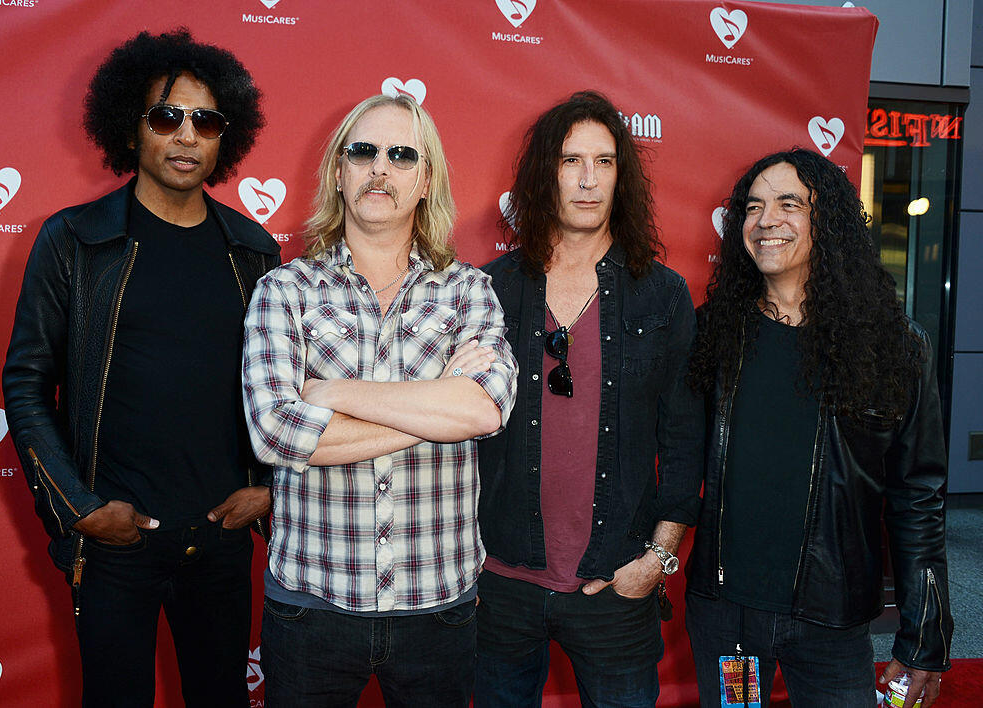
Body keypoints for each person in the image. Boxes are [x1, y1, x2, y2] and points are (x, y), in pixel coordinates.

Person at [1, 29, 279, 707]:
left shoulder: (253, 251)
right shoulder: (74, 241)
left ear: (225, 138)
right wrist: (81, 510)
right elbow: (27, 382)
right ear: (132, 128)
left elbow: (286, 389)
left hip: (220, 542)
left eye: (205, 121)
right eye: (166, 116)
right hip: (115, 543)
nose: (186, 135)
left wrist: (271, 488)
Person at [242, 93, 517, 707]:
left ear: (425, 181)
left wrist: (333, 395)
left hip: (439, 608)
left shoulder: (470, 291)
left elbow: (483, 411)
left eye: (401, 155)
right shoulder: (284, 291)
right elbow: (276, 434)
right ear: (339, 172)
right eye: (363, 152)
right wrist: (435, 409)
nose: (380, 169)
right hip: (312, 605)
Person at [686, 148, 952, 707]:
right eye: (753, 207)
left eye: (789, 204)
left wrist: (924, 637)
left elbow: (917, 498)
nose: (766, 221)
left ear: (826, 220)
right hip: (730, 622)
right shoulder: (715, 332)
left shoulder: (894, 347)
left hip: (833, 621)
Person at [474, 90, 704, 707]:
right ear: (543, 172)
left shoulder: (662, 296)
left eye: (604, 162)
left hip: (615, 579)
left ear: (621, 178)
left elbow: (685, 439)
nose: (587, 179)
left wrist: (658, 557)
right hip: (499, 583)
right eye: (571, 160)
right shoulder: (488, 290)